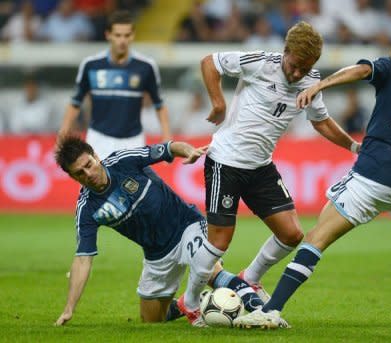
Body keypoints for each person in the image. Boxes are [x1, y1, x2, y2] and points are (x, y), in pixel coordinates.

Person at [234, 33, 391, 330]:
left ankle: (272, 310)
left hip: (372, 176)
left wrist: (321, 84)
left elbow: (362, 69)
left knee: (317, 237)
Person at [196, 21, 360, 316]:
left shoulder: (312, 80)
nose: (297, 73)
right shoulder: (260, 62)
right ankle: (191, 302)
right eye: (295, 65)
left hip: (260, 167)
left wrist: (353, 147)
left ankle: (250, 279)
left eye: (305, 68)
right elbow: (210, 62)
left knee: (292, 234)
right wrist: (218, 102)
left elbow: (320, 120)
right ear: (285, 51)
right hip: (226, 161)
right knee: (219, 241)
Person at [53, 136, 265, 327]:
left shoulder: (123, 161)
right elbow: (82, 259)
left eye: (89, 165)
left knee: (209, 270)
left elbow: (169, 147)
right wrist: (69, 308)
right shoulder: (87, 209)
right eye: (80, 173)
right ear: (73, 178)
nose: (88, 174)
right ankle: (188, 303)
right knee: (151, 319)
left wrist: (189, 151)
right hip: (157, 255)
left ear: (96, 156)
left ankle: (262, 309)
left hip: (186, 226)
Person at [58, 10, 171, 159]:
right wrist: (63, 134)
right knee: (95, 182)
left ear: (133, 35)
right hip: (98, 139)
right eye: (118, 35)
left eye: (126, 35)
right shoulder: (91, 65)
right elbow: (75, 103)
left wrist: (166, 136)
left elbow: (159, 104)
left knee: (134, 183)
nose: (122, 40)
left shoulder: (146, 67)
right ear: (108, 35)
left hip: (133, 140)